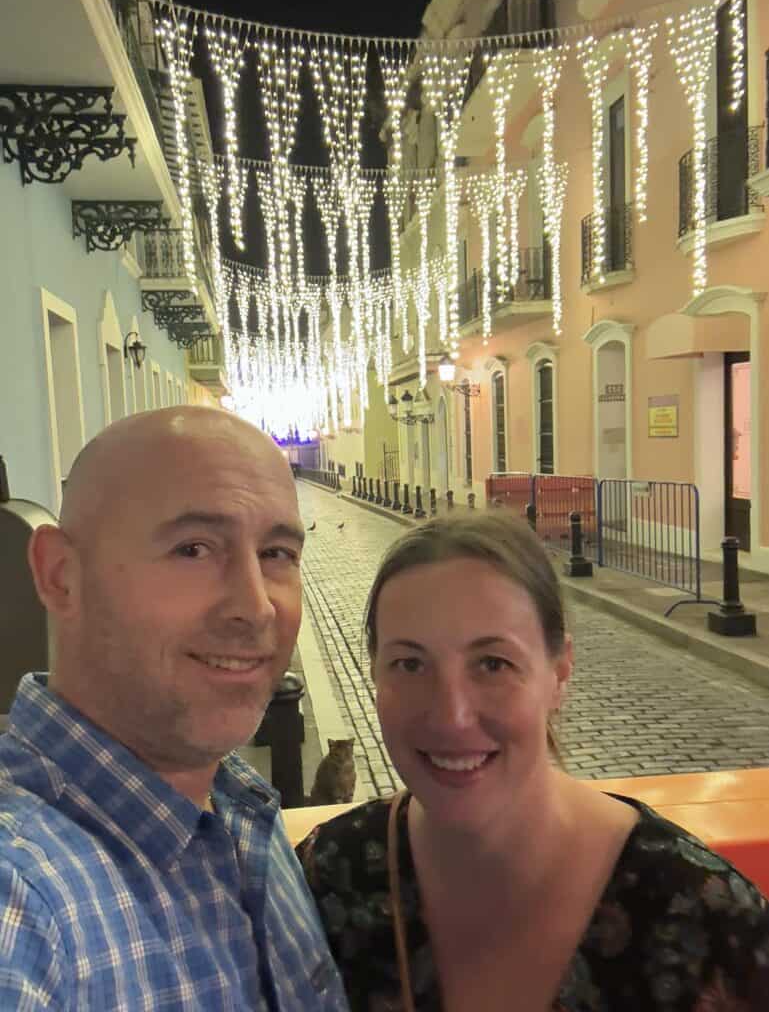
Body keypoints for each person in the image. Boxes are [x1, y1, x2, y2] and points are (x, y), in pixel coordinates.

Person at [297, 510, 769, 1011]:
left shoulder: (707, 920)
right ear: (375, 675)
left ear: (559, 672)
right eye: (409, 664)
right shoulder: (324, 883)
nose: (452, 717)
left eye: (493, 663)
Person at [0, 406, 349, 1011]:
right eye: (193, 548)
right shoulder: (25, 906)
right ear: (60, 575)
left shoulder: (234, 805)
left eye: (277, 553)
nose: (256, 606)